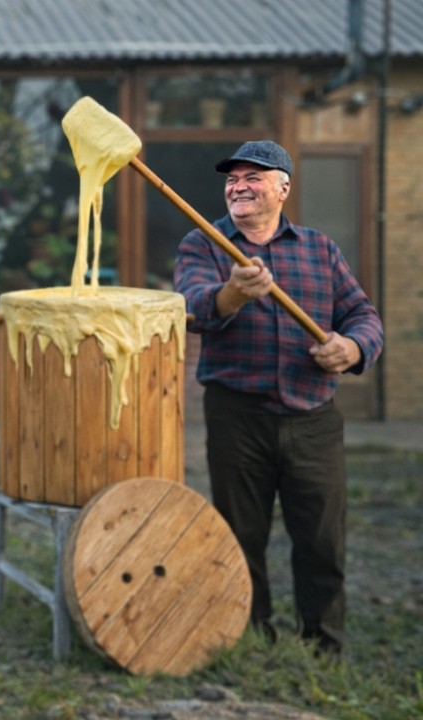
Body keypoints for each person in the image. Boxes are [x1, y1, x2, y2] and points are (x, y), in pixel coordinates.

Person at [174, 140, 384, 656]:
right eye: (232, 179)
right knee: (239, 538)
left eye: (253, 177)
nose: (238, 186)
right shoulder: (204, 244)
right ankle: (247, 636)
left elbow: (364, 316)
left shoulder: (319, 249)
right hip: (236, 416)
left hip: (313, 418)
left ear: (283, 188)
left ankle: (323, 646)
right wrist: (234, 293)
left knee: (321, 541)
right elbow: (193, 306)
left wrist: (352, 346)